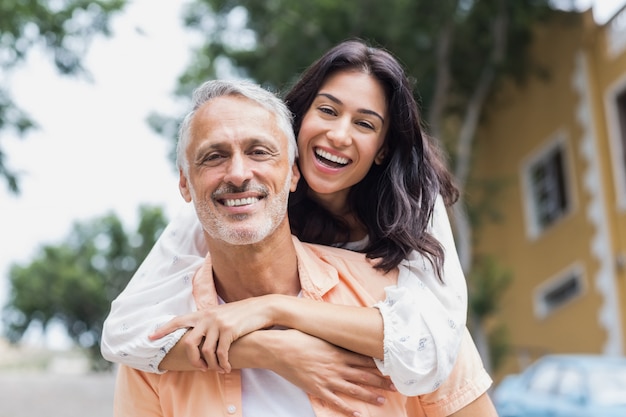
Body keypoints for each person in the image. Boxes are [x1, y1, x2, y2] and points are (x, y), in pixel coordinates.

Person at [103, 39, 466, 410]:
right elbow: (123, 333)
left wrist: (275, 309)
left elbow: (435, 343)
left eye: (364, 124)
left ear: (382, 149)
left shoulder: (412, 204)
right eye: (327, 110)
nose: (339, 135)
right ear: (298, 120)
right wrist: (268, 348)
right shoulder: (235, 199)